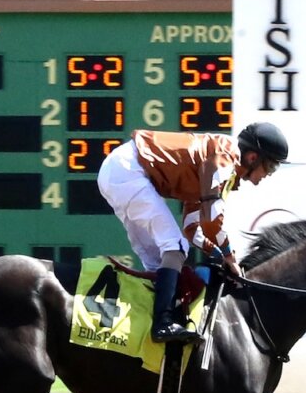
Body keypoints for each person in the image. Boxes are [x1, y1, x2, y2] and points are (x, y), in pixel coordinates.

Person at [97, 121, 289, 344]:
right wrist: (229, 257)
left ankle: (145, 325)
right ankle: (163, 324)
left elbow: (192, 229)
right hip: (128, 171)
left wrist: (216, 254)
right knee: (174, 246)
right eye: (271, 167)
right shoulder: (225, 157)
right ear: (253, 157)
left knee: (159, 261)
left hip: (119, 171)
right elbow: (211, 222)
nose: (269, 174)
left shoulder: (212, 162)